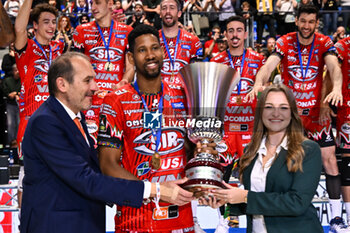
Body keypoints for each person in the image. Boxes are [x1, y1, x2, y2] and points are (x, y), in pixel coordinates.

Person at [20, 51, 193, 233]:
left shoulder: (75, 118)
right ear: (62, 84)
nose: (95, 87)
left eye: (94, 79)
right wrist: (155, 190)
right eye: (87, 80)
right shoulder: (46, 122)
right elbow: (86, 180)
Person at [247, 4, 345, 230]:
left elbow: (333, 67)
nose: (307, 26)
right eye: (303, 21)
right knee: (284, 164)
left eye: (311, 22)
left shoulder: (324, 42)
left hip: (316, 115)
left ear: (317, 23)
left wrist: (337, 88)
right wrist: (258, 83)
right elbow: (269, 64)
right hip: (291, 116)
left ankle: (337, 217)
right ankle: (279, 213)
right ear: (296, 21)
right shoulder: (284, 41)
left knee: (330, 161)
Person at [98, 24, 196, 232]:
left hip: (181, 218)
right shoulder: (115, 101)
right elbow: (108, 165)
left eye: (155, 48)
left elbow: (192, 150)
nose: (151, 55)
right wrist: (158, 191)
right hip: (136, 221)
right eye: (142, 50)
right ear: (131, 58)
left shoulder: (183, 94)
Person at [200, 84, 323, 233]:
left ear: (292, 113)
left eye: (283, 107)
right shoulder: (251, 150)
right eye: (269, 107)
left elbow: (297, 203)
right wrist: (224, 202)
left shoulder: (308, 149)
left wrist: (245, 197)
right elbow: (255, 202)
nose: (276, 113)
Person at [210, 15, 265, 225]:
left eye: (239, 30)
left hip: (250, 128)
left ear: (245, 33)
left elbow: (265, 91)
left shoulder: (258, 60)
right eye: (231, 30)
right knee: (221, 178)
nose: (235, 35)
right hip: (225, 129)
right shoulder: (216, 60)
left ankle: (255, 220)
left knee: (253, 179)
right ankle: (223, 222)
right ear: (225, 34)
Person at [14, 0, 64, 208]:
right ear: (34, 25)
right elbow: (18, 27)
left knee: (57, 176)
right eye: (46, 22)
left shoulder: (59, 48)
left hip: (57, 123)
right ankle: (25, 223)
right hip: (31, 123)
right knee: (29, 177)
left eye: (53, 22)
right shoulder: (26, 48)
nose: (51, 26)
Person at [73, 0, 134, 143]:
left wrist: (123, 82)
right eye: (91, 3)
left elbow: (130, 67)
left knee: (116, 149)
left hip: (116, 101)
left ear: (110, 3)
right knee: (91, 151)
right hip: (90, 102)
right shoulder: (81, 31)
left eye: (98, 3)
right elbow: (76, 68)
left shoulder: (127, 31)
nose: (93, 8)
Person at [158, 0, 203, 85]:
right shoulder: (153, 39)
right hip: (159, 94)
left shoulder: (193, 41)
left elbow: (197, 76)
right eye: (164, 8)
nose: (168, 11)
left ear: (179, 13)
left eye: (172, 8)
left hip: (183, 95)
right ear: (160, 14)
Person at [335, 36, 350, 228]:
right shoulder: (343, 45)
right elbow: (329, 71)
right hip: (347, 109)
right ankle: (348, 217)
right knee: (347, 161)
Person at [1, 64, 21, 147]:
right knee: (10, 124)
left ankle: (19, 141)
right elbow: (5, 90)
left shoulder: (23, 80)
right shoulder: (8, 80)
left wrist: (17, 93)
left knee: (19, 123)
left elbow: (25, 90)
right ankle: (11, 142)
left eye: (18, 70)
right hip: (10, 104)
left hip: (21, 105)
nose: (17, 72)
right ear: (13, 71)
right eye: (16, 70)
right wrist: (10, 94)